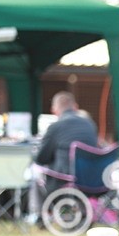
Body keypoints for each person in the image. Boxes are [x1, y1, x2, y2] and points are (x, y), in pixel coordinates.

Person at [29, 91, 99, 222]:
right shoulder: (90, 125)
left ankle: (39, 217)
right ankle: (80, 212)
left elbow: (41, 158)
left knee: (35, 175)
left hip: (63, 181)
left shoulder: (56, 127)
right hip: (93, 181)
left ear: (54, 111)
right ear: (76, 107)